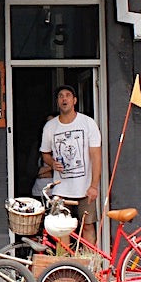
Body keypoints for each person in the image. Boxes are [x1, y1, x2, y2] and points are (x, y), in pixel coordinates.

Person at [39, 84, 102, 245]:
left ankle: (89, 260)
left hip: (85, 187)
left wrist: (94, 186)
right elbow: (45, 154)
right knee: (62, 228)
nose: (64, 99)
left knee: (87, 225)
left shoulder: (87, 123)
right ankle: (65, 260)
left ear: (74, 100)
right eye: (61, 96)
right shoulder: (50, 127)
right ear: (57, 102)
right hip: (61, 189)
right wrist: (52, 164)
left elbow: (96, 156)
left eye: (68, 95)